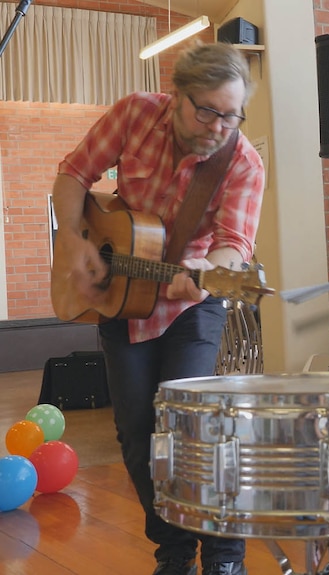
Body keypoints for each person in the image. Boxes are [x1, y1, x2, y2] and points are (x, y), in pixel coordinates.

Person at [50, 42, 264, 575]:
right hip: (123, 299)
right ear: (177, 96)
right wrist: (76, 242)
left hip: (191, 303)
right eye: (207, 110)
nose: (219, 124)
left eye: (231, 113)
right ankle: (173, 551)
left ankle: (223, 552)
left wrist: (205, 273)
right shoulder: (134, 114)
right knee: (136, 430)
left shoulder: (241, 162)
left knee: (191, 425)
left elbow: (233, 243)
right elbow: (74, 173)